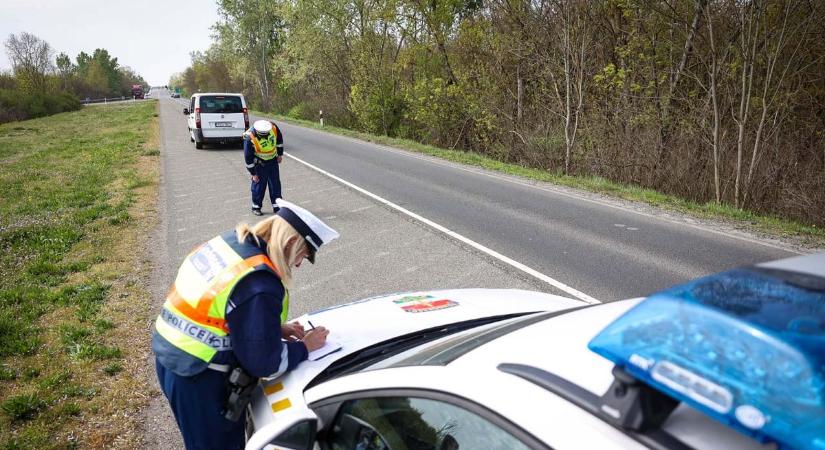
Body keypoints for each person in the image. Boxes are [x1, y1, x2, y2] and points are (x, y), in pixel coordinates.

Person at [152, 199, 339, 450]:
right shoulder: (259, 280)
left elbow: (219, 306)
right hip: (201, 377)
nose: (298, 264)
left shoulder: (231, 243)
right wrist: (305, 347)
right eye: (303, 254)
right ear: (291, 242)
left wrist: (272, 328)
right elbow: (264, 363)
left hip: (171, 355)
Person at [244, 119, 284, 216]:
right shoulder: (249, 138)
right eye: (263, 134)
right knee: (258, 186)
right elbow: (248, 158)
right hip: (260, 164)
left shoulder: (273, 128)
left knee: (275, 184)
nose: (266, 135)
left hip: (273, 161)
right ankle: (256, 207)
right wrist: (253, 173)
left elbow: (279, 141)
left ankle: (277, 206)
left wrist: (279, 154)